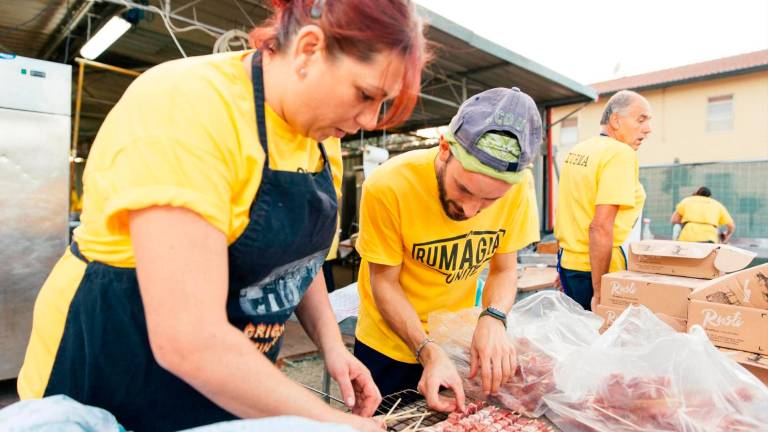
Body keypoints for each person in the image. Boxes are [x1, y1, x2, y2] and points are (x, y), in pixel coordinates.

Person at [17, 0, 428, 431]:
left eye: (382, 104)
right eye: (365, 95)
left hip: (232, 381)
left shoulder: (321, 139)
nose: (367, 120)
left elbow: (298, 268)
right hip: (116, 369)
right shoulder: (187, 107)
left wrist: (332, 346)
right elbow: (188, 339)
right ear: (308, 49)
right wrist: (332, 423)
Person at [353, 87, 542, 412]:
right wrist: (427, 350)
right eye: (464, 189)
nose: (470, 211)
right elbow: (384, 282)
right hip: (388, 346)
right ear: (444, 149)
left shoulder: (519, 188)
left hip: (453, 342)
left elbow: (505, 269)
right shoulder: (388, 186)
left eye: (489, 201)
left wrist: (493, 317)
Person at [554, 90, 651, 311]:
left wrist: (560, 268)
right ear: (616, 120)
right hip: (599, 269)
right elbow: (600, 226)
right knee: (598, 341)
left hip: (569, 264)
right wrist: (600, 291)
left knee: (577, 337)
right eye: (641, 119)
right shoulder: (620, 154)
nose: (648, 129)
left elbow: (566, 211)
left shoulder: (579, 150)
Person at [671, 186, 735, 243]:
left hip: (687, 237)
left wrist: (687, 221)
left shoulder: (686, 201)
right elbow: (731, 226)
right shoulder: (717, 204)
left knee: (676, 227)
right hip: (709, 238)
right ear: (710, 196)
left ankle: (674, 245)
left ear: (697, 194)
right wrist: (727, 234)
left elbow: (674, 220)